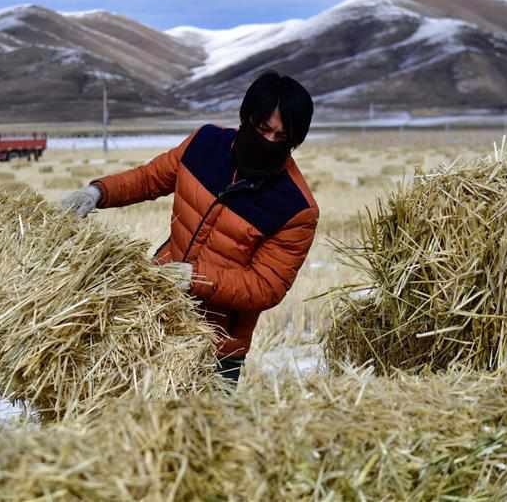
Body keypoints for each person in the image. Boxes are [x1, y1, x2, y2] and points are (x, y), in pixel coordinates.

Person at [62, 70, 319, 386]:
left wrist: (195, 277)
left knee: (199, 433)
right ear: (247, 117)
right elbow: (149, 178)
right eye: (263, 129)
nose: (269, 141)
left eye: (282, 138)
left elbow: (265, 287)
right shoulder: (204, 145)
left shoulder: (296, 208)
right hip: (153, 316)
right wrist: (98, 193)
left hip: (215, 346)